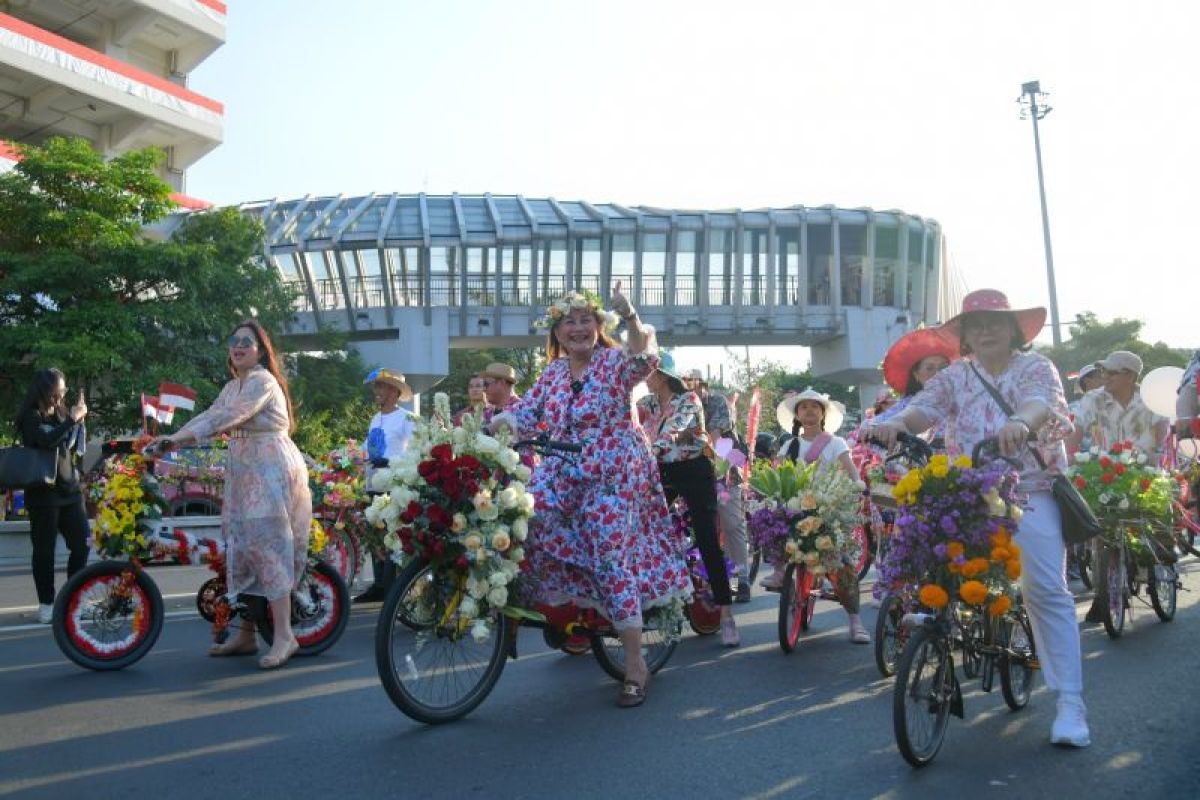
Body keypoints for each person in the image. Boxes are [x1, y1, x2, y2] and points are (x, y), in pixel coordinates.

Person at [867, 288, 1089, 748]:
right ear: (965, 336)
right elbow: (923, 409)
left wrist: (1021, 424)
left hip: (1027, 490)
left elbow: (1040, 402)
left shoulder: (1035, 367)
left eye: (994, 322)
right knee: (933, 566)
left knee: (1045, 590)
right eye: (976, 325)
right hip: (966, 492)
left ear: (1012, 329)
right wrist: (896, 423)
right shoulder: (955, 376)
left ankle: (1071, 703)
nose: (985, 331)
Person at [495, 282, 691, 708]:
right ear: (558, 332)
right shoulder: (552, 374)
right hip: (564, 469)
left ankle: (635, 664)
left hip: (614, 472)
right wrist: (494, 425)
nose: (578, 328)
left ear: (598, 326)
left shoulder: (613, 363)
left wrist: (631, 316)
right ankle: (558, 606)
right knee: (525, 516)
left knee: (609, 555)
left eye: (586, 320)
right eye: (569, 321)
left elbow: (642, 358)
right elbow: (526, 414)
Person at [155, 320, 312, 670]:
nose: (238, 346)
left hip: (270, 469)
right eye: (234, 340)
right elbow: (213, 413)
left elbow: (230, 416)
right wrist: (172, 438)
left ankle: (285, 635)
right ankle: (247, 635)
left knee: (266, 545)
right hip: (245, 472)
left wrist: (178, 440)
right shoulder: (231, 386)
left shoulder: (262, 381)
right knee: (240, 550)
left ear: (260, 350)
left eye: (247, 341)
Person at [639, 353, 739, 646]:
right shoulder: (646, 404)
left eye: (650, 373)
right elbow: (631, 425)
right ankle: (655, 597)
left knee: (707, 537)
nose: (645, 378)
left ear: (664, 376)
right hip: (660, 469)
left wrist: (656, 446)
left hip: (694, 468)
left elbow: (676, 427)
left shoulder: (689, 400)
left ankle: (726, 614)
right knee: (644, 528)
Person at [769, 388, 870, 643]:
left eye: (815, 407)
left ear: (823, 413)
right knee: (769, 527)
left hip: (827, 510)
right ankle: (780, 571)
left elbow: (852, 476)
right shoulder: (788, 444)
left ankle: (855, 621)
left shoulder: (835, 443)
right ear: (797, 415)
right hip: (795, 509)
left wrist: (858, 491)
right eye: (804, 407)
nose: (810, 411)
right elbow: (776, 476)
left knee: (842, 566)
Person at [16, 369, 89, 624]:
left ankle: (73, 600)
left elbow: (67, 443)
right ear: (48, 389)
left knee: (81, 545)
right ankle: (47, 603)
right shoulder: (31, 417)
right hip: (43, 494)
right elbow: (46, 441)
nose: (64, 392)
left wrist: (76, 419)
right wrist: (71, 420)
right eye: (62, 388)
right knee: (44, 552)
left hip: (69, 490)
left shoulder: (60, 413)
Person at [682, 367, 753, 603]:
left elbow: (713, 436)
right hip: (692, 469)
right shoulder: (679, 405)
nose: (690, 387)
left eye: (694, 383)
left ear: (703, 385)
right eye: (684, 383)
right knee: (699, 528)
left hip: (723, 467)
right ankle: (708, 579)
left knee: (732, 523)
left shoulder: (717, 402)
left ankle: (742, 578)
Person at [354, 368, 416, 604]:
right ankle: (379, 585)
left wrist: (389, 461)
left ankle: (393, 587)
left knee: (391, 536)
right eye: (376, 387)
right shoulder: (375, 418)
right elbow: (368, 447)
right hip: (373, 483)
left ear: (395, 391)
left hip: (393, 485)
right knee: (375, 535)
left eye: (381, 387)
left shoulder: (406, 418)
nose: (377, 392)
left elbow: (414, 452)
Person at [1066, 351, 1168, 463]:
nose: (1105, 376)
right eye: (1103, 371)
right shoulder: (1092, 399)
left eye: (1112, 373)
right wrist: (1069, 460)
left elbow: (1163, 438)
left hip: (1145, 473)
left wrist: (1158, 459)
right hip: (1104, 472)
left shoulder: (1151, 400)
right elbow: (1074, 431)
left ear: (1130, 376)